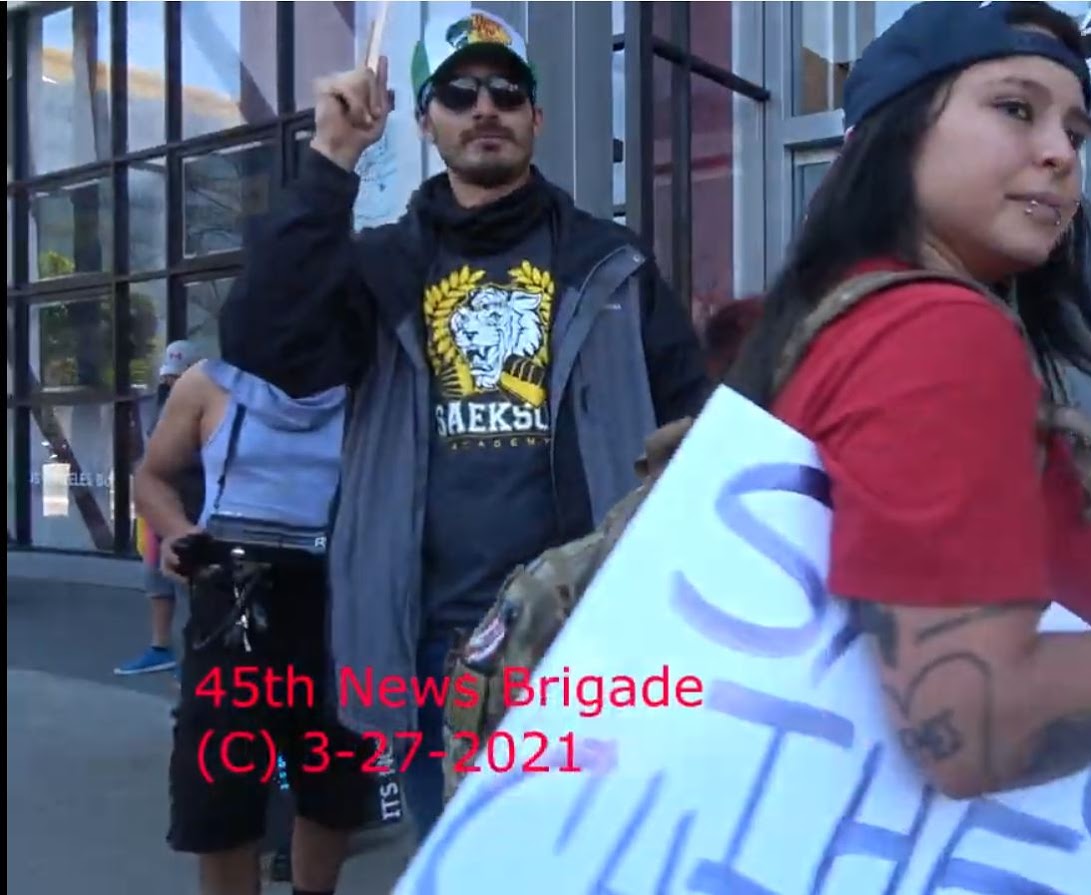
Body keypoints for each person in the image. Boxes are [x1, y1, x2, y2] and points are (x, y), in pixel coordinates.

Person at [722, 0, 1091, 800]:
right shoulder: (938, 332)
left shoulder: (835, 317)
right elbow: (974, 728)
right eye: (1015, 109)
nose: (1059, 152)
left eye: (1076, 132)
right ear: (893, 133)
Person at [216, 9, 707, 840]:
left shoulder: (611, 264)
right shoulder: (380, 267)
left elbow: (690, 423)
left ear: (535, 118)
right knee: (460, 860)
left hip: (587, 633)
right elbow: (265, 340)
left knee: (591, 861)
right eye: (458, 92)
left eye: (507, 90)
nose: (485, 107)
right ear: (423, 119)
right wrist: (332, 159)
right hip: (426, 647)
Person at [135, 358, 368, 895]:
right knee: (220, 799)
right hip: (233, 600)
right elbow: (152, 475)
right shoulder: (208, 381)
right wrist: (174, 533)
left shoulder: (370, 381)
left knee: (333, 791)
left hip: (339, 603)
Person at [117, 340, 207, 676]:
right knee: (155, 577)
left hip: (192, 503)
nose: (172, 382)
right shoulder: (159, 404)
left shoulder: (209, 403)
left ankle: (199, 654)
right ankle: (159, 647)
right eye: (169, 376)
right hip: (157, 504)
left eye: (179, 375)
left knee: (189, 579)